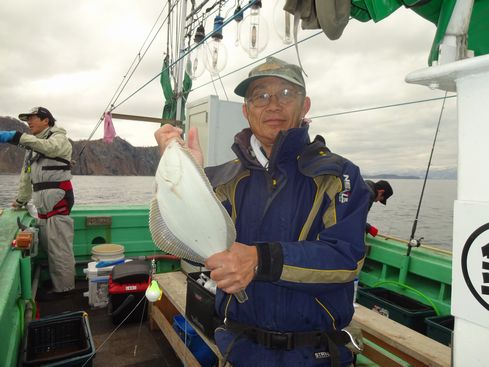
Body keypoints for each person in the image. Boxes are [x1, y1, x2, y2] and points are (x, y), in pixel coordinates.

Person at [154, 57, 371, 367]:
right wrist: (188, 178)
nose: (273, 105)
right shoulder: (222, 178)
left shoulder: (339, 175)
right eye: (260, 95)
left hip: (316, 355)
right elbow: (192, 252)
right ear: (246, 109)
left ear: (305, 105)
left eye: (286, 94)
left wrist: (260, 260)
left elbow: (346, 258)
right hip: (239, 350)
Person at [0, 107, 76, 300]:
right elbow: (26, 178)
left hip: (58, 202)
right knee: (49, 246)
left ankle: (65, 290)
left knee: (59, 247)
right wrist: (20, 200)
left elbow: (50, 148)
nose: (29, 123)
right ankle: (58, 283)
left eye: (33, 119)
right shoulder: (32, 149)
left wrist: (17, 136)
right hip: (42, 205)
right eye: (27, 120)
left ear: (46, 120)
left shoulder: (59, 139)